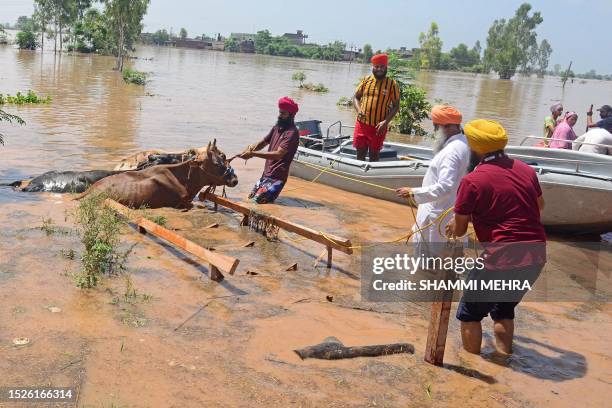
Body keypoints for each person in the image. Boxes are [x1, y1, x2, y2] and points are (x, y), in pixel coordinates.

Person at [446, 119, 546, 355]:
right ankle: (504, 361)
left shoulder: (472, 180)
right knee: (503, 310)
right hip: (535, 256)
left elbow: (459, 230)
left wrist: (456, 223)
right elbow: (539, 206)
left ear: (476, 148)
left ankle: (472, 370)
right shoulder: (526, 170)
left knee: (470, 314)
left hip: (502, 257)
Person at [396, 105, 470, 246]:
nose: (435, 132)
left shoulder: (451, 152)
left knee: (430, 260)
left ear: (447, 127)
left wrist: (413, 192)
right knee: (449, 259)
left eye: (436, 127)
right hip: (452, 213)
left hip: (439, 217)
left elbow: (445, 187)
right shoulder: (464, 142)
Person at [238, 97, 300, 204]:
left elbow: (278, 155)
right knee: (250, 199)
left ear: (291, 116)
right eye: (280, 112)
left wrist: (253, 154)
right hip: (266, 174)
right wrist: (248, 149)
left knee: (257, 203)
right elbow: (263, 142)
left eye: (283, 113)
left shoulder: (291, 133)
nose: (279, 115)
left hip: (277, 177)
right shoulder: (277, 127)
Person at [353, 53, 400, 162]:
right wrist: (359, 110)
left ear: (386, 68)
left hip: (379, 127)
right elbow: (356, 97)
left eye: (382, 67)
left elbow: (396, 105)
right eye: (377, 67)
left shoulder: (392, 84)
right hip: (362, 125)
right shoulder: (366, 80)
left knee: (374, 155)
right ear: (373, 67)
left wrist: (385, 122)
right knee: (360, 154)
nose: (379, 69)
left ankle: (370, 178)